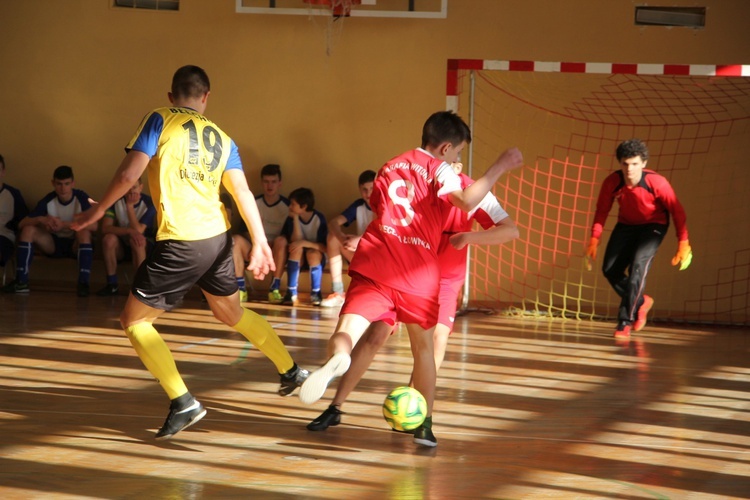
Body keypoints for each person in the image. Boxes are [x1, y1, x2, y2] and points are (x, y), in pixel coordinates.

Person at [71, 65, 308, 440]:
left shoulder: (159, 119)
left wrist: (98, 211)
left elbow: (129, 175)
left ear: (171, 96)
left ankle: (183, 401)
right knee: (231, 311)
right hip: (217, 238)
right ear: (206, 98)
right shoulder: (224, 137)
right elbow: (243, 193)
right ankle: (291, 370)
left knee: (134, 321)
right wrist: (260, 241)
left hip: (182, 240)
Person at [298, 110, 524, 447]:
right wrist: (501, 166)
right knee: (399, 342)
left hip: (410, 269)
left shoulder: (393, 165)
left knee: (395, 338)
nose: (459, 163)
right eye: (458, 154)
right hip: (420, 273)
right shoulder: (443, 175)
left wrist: (467, 238)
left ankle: (394, 398)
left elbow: (510, 229)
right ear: (447, 151)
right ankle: (398, 418)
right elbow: (461, 198)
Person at [585, 138, 692, 339]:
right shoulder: (612, 182)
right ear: (620, 164)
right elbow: (601, 211)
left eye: (634, 164)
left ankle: (625, 321)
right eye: (625, 164)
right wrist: (594, 239)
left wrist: (683, 242)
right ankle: (641, 301)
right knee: (610, 269)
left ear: (643, 163)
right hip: (626, 225)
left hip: (654, 226)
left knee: (637, 269)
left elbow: (677, 212)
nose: (630, 169)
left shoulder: (657, 182)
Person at [3, 165, 95, 297]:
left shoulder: (81, 197)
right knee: (28, 230)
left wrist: (64, 224)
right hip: (54, 244)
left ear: (73, 183)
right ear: (53, 183)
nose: (63, 188)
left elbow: (94, 226)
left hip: (76, 244)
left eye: (67, 184)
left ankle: (83, 284)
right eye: (59, 184)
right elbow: (22, 224)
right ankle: (21, 282)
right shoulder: (49, 199)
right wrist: (41, 219)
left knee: (84, 232)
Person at [233, 163, 289, 303]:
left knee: (281, 241)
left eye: (273, 182)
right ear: (261, 183)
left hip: (275, 249)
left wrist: (268, 245)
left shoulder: (287, 206)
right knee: (235, 240)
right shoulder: (253, 203)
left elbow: (289, 235)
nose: (270, 186)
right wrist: (257, 243)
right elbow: (243, 231)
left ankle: (274, 289)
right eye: (266, 181)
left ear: (279, 183)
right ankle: (241, 288)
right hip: (254, 247)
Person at [319, 169, 375, 308]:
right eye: (364, 190)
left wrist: (359, 240)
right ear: (359, 189)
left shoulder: (385, 204)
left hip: (379, 258)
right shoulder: (358, 205)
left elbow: (383, 232)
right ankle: (338, 292)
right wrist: (342, 238)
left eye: (371, 189)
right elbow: (333, 223)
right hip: (361, 254)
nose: (368, 194)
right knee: (332, 238)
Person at [96, 177, 156, 296]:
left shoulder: (150, 203)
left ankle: (140, 287)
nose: (131, 191)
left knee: (137, 241)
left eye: (134, 187)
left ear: (141, 187)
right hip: (122, 244)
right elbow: (105, 228)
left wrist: (129, 206)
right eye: (128, 188)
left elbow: (139, 230)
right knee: (108, 239)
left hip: (143, 245)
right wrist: (128, 231)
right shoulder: (115, 201)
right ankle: (112, 284)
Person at [272, 187, 328, 306]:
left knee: (311, 253)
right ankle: (291, 292)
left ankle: (316, 293)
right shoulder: (291, 219)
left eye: (293, 204)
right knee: (296, 249)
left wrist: (305, 243)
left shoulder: (319, 219)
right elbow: (295, 241)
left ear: (304, 207)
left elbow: (325, 247)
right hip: (299, 258)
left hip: (316, 256)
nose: (290, 207)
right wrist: (296, 219)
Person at [0, 154, 29, 277]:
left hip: (4, 237)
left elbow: (24, 218)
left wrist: (12, 226)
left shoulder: (12, 194)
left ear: (3, 171)